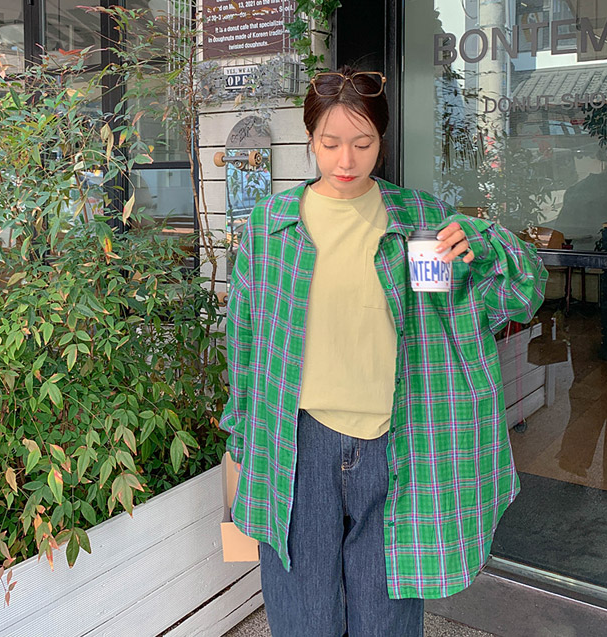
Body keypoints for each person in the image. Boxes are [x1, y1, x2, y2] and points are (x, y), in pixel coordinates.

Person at [219, 67, 548, 637]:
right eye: (330, 143)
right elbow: (245, 341)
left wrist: (487, 246)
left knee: (387, 618)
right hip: (298, 444)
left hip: (400, 442)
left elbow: (519, 297)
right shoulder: (270, 228)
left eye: (363, 142)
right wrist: (243, 440)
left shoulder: (422, 223)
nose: (346, 160)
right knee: (304, 616)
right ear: (310, 138)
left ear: (382, 140)